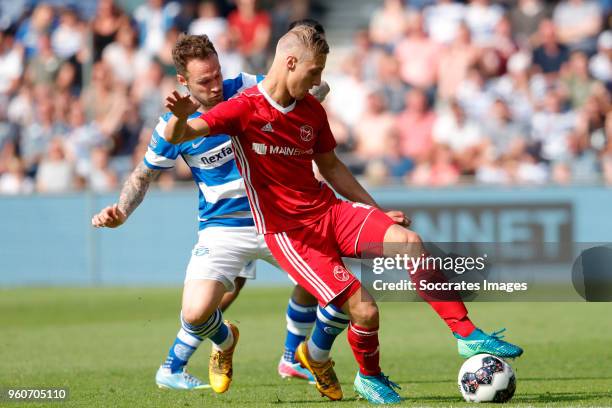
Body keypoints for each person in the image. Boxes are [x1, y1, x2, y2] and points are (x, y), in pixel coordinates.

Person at [163, 25, 523, 404]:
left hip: (329, 212)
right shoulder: (243, 107)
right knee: (365, 310)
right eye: (314, 71)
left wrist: (377, 210)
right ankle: (368, 377)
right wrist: (178, 117)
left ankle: (465, 334)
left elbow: (332, 167)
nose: (319, 80)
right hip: (290, 234)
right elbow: (180, 135)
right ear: (289, 63)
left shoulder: (311, 111)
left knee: (410, 243)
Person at [91, 23, 340, 393]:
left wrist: (309, 97)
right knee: (205, 306)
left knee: (331, 287)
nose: (215, 85)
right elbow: (143, 176)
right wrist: (121, 213)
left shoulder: (247, 87)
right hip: (223, 227)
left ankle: (301, 355)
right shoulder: (173, 127)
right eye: (205, 79)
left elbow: (296, 88)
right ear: (183, 81)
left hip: (278, 216)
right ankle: (221, 345)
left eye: (218, 74)